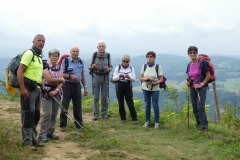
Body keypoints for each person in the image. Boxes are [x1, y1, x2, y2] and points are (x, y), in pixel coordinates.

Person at [17, 34, 45, 150]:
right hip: (28, 90)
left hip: (37, 89)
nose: (41, 42)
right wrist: (22, 88)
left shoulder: (39, 55)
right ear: (33, 41)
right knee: (28, 116)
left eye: (43, 41)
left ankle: (34, 139)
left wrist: (40, 82)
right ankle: (27, 143)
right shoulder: (29, 53)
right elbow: (20, 71)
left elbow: (35, 72)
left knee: (35, 116)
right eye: (39, 40)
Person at [38, 49, 65, 142]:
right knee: (47, 113)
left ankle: (51, 132)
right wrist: (60, 79)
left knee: (54, 114)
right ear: (49, 57)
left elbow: (62, 82)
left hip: (57, 92)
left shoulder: (59, 67)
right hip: (46, 92)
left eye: (56, 56)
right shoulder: (45, 66)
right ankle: (42, 134)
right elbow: (49, 79)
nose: (54, 57)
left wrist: (57, 89)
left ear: (58, 57)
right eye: (52, 56)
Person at [60, 46, 88, 132]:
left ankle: (78, 123)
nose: (75, 53)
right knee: (65, 104)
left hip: (77, 85)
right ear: (70, 52)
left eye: (77, 51)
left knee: (78, 105)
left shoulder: (81, 61)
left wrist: (85, 87)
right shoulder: (66, 61)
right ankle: (63, 124)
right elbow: (61, 74)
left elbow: (82, 75)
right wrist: (70, 76)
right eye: (73, 51)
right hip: (67, 84)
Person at [185, 46, 210, 131]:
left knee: (200, 107)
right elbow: (188, 75)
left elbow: (208, 75)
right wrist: (187, 81)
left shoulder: (202, 62)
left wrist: (201, 84)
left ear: (197, 53)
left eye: (194, 52)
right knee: (195, 106)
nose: (192, 54)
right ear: (188, 54)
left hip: (201, 88)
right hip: (192, 87)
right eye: (190, 52)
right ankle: (199, 124)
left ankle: (204, 127)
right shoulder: (189, 64)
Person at [89, 40, 112, 120]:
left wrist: (109, 69)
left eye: (103, 46)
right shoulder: (94, 55)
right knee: (96, 96)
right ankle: (95, 114)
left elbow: (110, 67)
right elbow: (89, 66)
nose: (101, 48)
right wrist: (92, 66)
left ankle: (104, 113)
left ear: (105, 47)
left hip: (105, 77)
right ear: (97, 47)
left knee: (104, 96)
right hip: (96, 76)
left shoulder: (108, 55)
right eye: (100, 46)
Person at [140, 51, 163, 129]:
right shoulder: (144, 66)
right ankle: (147, 121)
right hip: (145, 88)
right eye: (148, 56)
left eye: (151, 56)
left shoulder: (157, 67)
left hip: (155, 88)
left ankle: (157, 122)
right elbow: (141, 78)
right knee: (147, 105)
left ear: (154, 58)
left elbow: (161, 79)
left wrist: (155, 82)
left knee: (155, 105)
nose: (149, 58)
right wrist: (146, 79)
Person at [111, 54, 138, 124]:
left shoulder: (131, 68)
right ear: (121, 61)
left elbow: (134, 79)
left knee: (130, 102)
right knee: (121, 102)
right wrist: (118, 77)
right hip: (119, 85)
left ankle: (134, 118)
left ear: (129, 61)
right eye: (124, 61)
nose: (125, 63)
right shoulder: (118, 68)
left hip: (128, 85)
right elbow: (113, 78)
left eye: (127, 61)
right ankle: (123, 118)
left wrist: (129, 77)